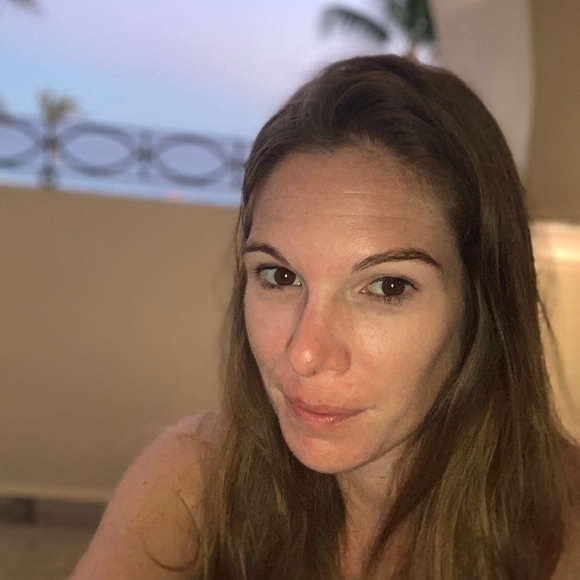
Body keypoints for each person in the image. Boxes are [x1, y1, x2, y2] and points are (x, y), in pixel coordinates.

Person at [72, 54, 579, 579]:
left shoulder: (565, 535)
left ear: (482, 302)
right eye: (280, 276)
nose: (305, 353)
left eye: (387, 287)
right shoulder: (192, 484)